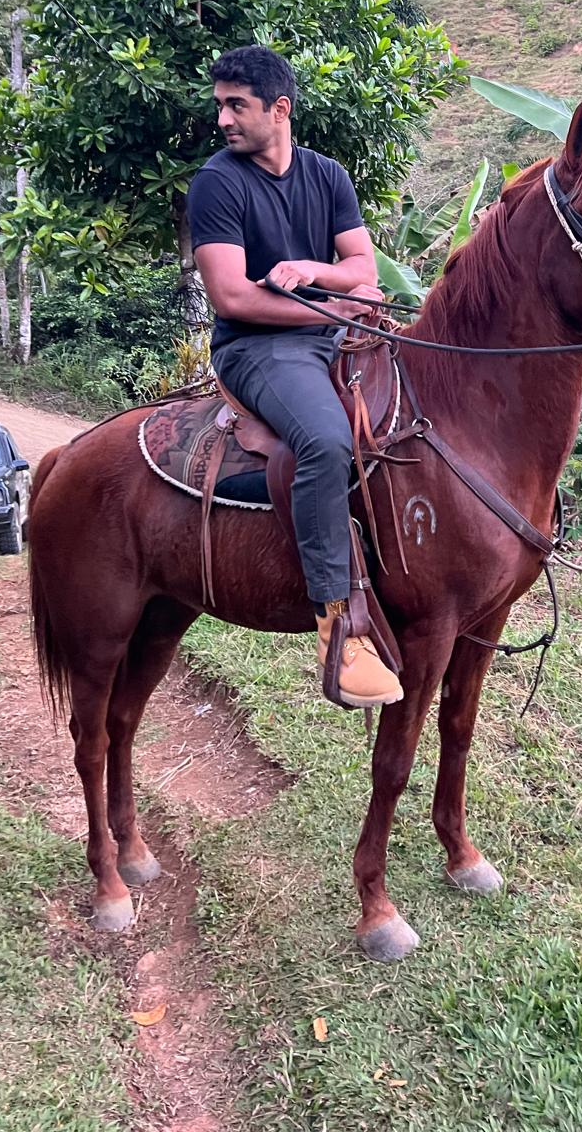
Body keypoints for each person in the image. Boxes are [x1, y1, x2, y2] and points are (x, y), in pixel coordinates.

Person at [187, 45, 405, 710]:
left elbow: (363, 270)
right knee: (327, 441)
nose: (222, 118)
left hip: (333, 333)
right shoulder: (217, 183)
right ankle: (339, 625)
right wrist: (335, 301)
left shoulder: (327, 175)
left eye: (236, 105)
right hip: (259, 350)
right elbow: (232, 297)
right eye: (220, 104)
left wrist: (314, 274)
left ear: (279, 109)